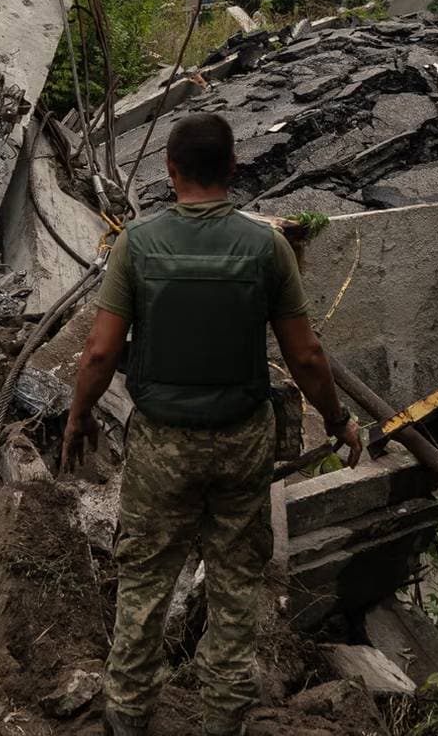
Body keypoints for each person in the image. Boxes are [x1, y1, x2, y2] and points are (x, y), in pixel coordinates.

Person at [59, 112, 364, 736]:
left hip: (161, 445)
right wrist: (338, 421)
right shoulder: (267, 248)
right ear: (232, 167)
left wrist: (78, 416)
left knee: (145, 579)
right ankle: (222, 717)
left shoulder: (137, 244)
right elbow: (306, 356)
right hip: (242, 442)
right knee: (235, 583)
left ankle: (127, 713)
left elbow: (99, 352)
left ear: (170, 171)